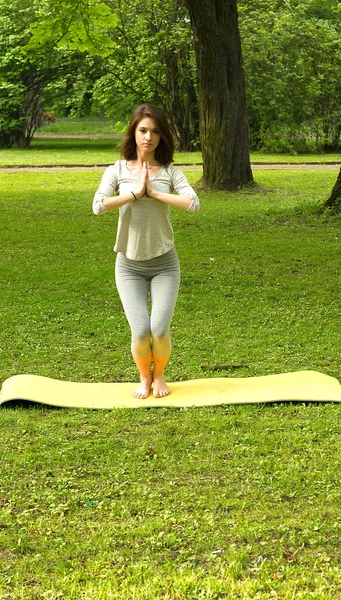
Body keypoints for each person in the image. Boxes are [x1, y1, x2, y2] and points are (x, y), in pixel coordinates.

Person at [93, 104, 199, 399]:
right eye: (142, 130)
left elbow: (193, 203)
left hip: (165, 263)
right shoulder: (117, 170)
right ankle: (144, 378)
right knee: (141, 331)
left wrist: (154, 193)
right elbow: (98, 205)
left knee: (159, 330)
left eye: (154, 131)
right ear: (133, 132)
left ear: (162, 136)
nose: (148, 137)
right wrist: (134, 194)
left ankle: (160, 376)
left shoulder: (169, 172)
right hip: (128, 265)